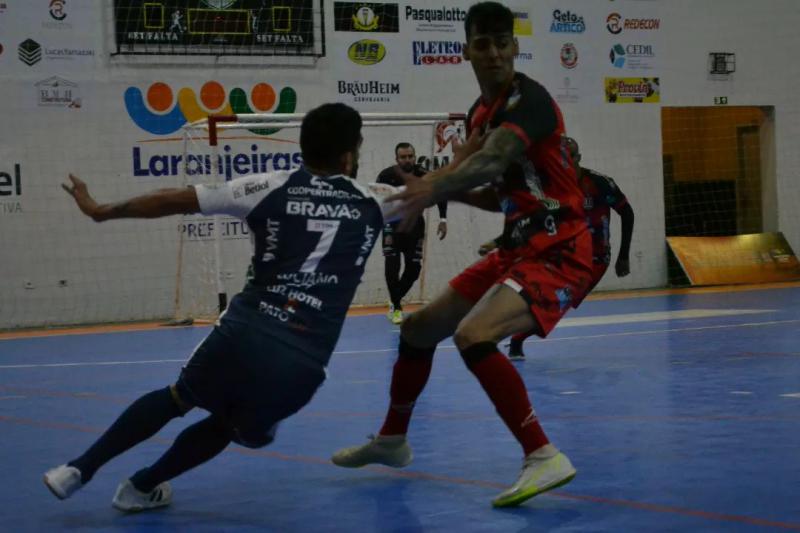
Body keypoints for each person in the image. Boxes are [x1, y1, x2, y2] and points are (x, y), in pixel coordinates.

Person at [43, 103, 391, 513]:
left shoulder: (267, 186)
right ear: (349, 155)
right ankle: (142, 486)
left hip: (244, 331)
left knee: (178, 398)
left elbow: (172, 199)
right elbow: (447, 187)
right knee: (230, 425)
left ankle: (78, 469)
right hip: (303, 358)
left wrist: (102, 211)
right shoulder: (379, 200)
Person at [331, 2, 593, 508]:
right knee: (418, 328)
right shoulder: (480, 114)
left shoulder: (530, 102)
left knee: (474, 335)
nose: (493, 52)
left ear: (515, 47)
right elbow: (494, 191)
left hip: (562, 245)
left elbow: (491, 161)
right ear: (466, 50)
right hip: (520, 243)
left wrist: (432, 186)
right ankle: (392, 439)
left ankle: (542, 455)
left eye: (502, 42)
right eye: (482, 43)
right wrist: (439, 186)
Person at [479, 137, 635, 360]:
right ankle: (512, 338)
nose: (564, 162)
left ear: (578, 158)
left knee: (558, 305)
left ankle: (513, 337)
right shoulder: (552, 190)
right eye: (559, 157)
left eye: (568, 157)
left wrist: (624, 255)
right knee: (550, 303)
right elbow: (532, 220)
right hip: (563, 255)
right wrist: (498, 242)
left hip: (595, 259)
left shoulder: (599, 183)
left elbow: (627, 213)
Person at [377, 142, 448, 324]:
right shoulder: (386, 175)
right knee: (392, 266)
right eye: (403, 157)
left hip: (415, 226)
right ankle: (397, 308)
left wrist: (443, 220)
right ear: (397, 159)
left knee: (414, 270)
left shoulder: (424, 175)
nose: (407, 160)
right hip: (391, 225)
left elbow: (441, 193)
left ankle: (394, 300)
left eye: (410, 156)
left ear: (414, 157)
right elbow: (377, 199)